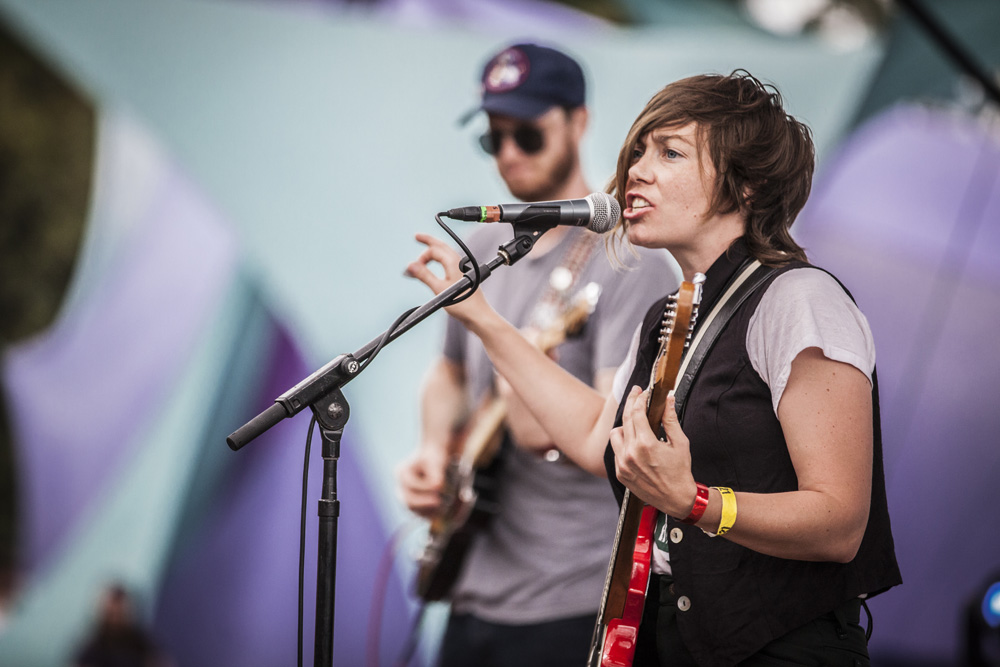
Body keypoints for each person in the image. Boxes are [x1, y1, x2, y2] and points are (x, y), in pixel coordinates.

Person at [404, 70, 902, 666]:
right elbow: (597, 440)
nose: (637, 169)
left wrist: (693, 501)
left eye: (670, 152)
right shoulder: (669, 315)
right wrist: (484, 321)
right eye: (639, 149)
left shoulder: (799, 299)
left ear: (746, 185)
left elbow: (840, 523)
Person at [396, 43, 676, 667]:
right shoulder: (484, 244)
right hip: (472, 580)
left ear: (579, 121)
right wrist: (434, 450)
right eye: (493, 140)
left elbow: (608, 439)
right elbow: (448, 370)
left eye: (528, 134)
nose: (510, 155)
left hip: (570, 600)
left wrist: (505, 347)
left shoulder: (630, 261)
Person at [74, 583, 171, 667]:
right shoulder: (94, 647)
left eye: (120, 613)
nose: (116, 618)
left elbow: (160, 661)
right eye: (112, 614)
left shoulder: (140, 642)